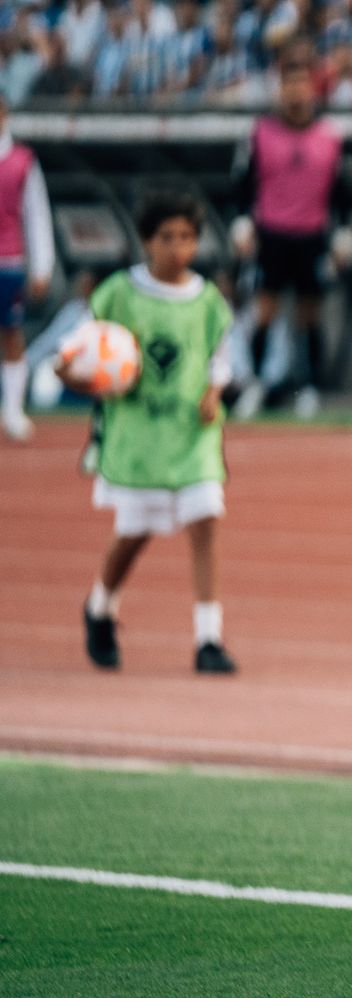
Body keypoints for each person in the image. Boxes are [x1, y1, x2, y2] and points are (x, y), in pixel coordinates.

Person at [64, 190, 238, 675]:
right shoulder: (118, 294)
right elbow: (80, 354)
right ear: (146, 241)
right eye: (167, 238)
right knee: (134, 533)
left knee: (205, 522)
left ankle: (209, 639)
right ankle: (100, 606)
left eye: (187, 237)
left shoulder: (206, 299)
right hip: (138, 437)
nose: (178, 248)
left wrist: (213, 393)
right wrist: (76, 376)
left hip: (193, 435)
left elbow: (219, 356)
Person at [229, 52, 351, 419]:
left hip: (311, 235)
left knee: (309, 315)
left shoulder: (330, 137)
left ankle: (309, 388)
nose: (296, 92)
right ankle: (255, 384)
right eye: (289, 84)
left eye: (302, 84)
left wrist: (344, 233)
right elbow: (241, 184)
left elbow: (344, 190)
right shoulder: (259, 133)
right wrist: (241, 223)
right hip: (272, 234)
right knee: (264, 312)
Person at [0, 93, 52, 442]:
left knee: (11, 333)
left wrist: (42, 265)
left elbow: (37, 213)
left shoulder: (22, 160)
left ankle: (13, 410)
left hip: (9, 259)